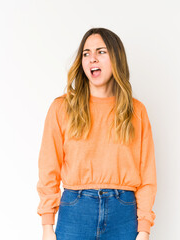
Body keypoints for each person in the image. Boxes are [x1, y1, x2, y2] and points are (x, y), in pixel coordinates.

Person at [37, 27, 157, 240]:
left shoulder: (135, 111)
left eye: (101, 52)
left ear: (116, 59)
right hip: (75, 210)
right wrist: (47, 224)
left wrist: (144, 228)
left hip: (124, 213)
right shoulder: (62, 108)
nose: (92, 58)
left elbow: (147, 174)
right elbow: (49, 168)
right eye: (86, 53)